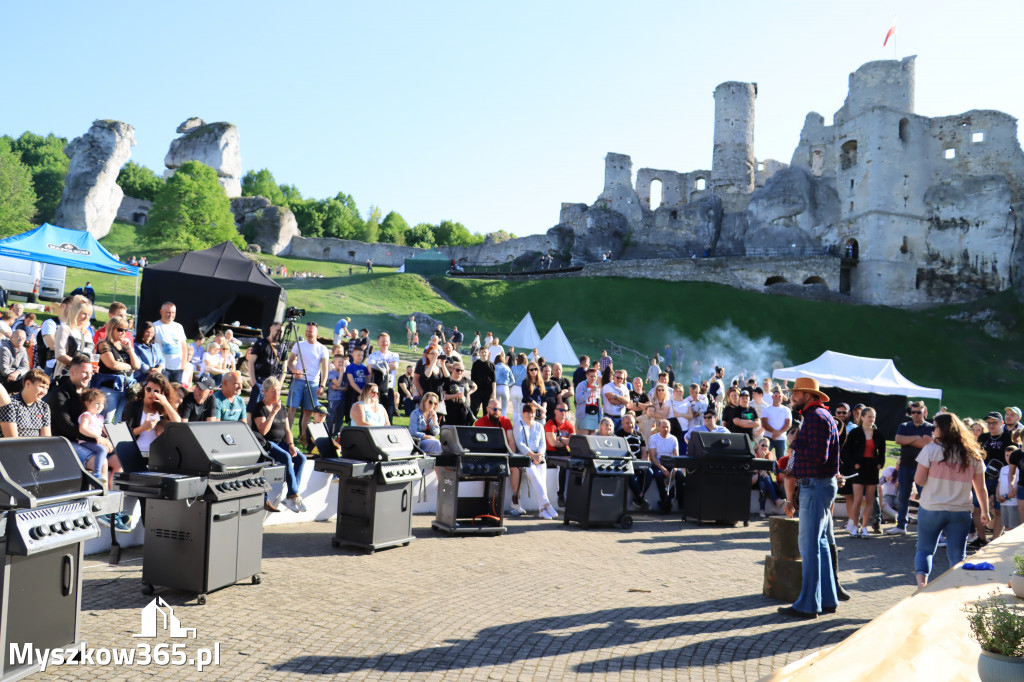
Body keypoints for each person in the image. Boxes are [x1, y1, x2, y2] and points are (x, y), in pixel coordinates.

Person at [777, 377, 842, 620]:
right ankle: (826, 598)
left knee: (810, 546)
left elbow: (819, 456)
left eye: (796, 393)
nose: (792, 396)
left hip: (815, 486)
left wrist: (795, 444)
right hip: (820, 485)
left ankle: (808, 604)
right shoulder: (819, 416)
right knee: (821, 544)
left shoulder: (815, 417)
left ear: (808, 395)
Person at [914, 412, 988, 588]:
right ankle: (955, 587)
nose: (933, 430)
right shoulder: (972, 454)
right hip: (960, 510)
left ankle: (921, 587)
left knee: (925, 549)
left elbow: (919, 480)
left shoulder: (930, 450)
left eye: (935, 426)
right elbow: (980, 488)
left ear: (943, 429)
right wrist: (985, 511)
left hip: (931, 508)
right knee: (957, 555)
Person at [252, 377, 307, 513]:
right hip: (265, 443)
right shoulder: (260, 408)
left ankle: (291, 495)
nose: (277, 394)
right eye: (273, 391)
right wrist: (273, 412)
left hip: (280, 442)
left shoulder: (281, 407)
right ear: (265, 391)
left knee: (301, 458)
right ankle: (294, 494)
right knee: (286, 457)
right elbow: (263, 431)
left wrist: (291, 444)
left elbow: (287, 430)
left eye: (278, 390)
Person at [889, 401, 933, 536]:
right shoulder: (904, 425)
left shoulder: (929, 427)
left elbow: (926, 443)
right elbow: (898, 439)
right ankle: (901, 525)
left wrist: (908, 439)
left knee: (925, 498)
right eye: (912, 412)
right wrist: (916, 437)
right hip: (905, 467)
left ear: (924, 412)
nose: (915, 415)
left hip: (923, 468)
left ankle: (926, 528)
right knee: (903, 497)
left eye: (918, 412)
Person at [842, 407, 886, 537]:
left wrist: (880, 463)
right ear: (862, 417)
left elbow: (882, 452)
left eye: (873, 417)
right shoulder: (855, 433)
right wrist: (853, 464)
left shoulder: (878, 434)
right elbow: (846, 451)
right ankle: (855, 526)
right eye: (869, 416)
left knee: (870, 500)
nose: (871, 419)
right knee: (857, 499)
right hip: (859, 468)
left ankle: (865, 527)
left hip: (872, 468)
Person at [973, 411, 1012, 546]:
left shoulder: (1008, 437)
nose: (991, 425)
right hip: (982, 479)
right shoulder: (983, 437)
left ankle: (994, 541)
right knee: (977, 509)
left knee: (999, 510)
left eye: (994, 423)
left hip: (1001, 480)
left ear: (1001, 423)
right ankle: (981, 538)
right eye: (989, 423)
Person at [287, 321, 329, 445]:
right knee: (292, 408)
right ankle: (287, 435)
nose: (308, 333)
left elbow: (325, 369)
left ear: (316, 333)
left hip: (313, 383)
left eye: (311, 331)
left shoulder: (322, 348)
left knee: (308, 411)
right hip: (298, 380)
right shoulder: (299, 345)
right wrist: (294, 371)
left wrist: (322, 385)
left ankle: (303, 436)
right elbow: (290, 362)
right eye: (307, 331)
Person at [94, 316, 140, 423]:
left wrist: (129, 350)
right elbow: (112, 365)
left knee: (120, 421)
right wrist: (129, 366)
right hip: (109, 388)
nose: (123, 332)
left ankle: (116, 440)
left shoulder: (124, 346)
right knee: (107, 420)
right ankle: (101, 439)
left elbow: (137, 365)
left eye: (126, 330)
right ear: (111, 329)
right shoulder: (103, 344)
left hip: (126, 389)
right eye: (120, 329)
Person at [516, 404, 557, 520]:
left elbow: (543, 444)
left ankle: (542, 510)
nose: (531, 415)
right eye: (528, 412)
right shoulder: (518, 425)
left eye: (533, 413)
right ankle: (547, 504)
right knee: (534, 476)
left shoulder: (539, 426)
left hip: (539, 457)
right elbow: (520, 444)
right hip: (525, 457)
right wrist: (532, 455)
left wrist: (539, 454)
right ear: (523, 413)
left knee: (542, 481)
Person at [75, 388, 113, 483]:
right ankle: (97, 474)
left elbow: (105, 430)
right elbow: (82, 429)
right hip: (85, 442)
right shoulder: (86, 415)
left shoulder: (99, 417)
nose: (100, 406)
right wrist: (97, 436)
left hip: (95, 442)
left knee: (105, 450)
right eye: (97, 403)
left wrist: (108, 438)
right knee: (102, 449)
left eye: (102, 403)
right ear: (87, 403)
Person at [0, 367, 49, 438]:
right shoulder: (11, 405)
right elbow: (12, 441)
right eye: (41, 387)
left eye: (47, 388)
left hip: (38, 448)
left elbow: (46, 440)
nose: (44, 392)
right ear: (27, 384)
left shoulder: (44, 407)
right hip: (16, 448)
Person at [53, 296, 94, 379]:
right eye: (84, 314)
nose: (86, 317)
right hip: (66, 376)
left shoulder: (88, 334)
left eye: (89, 315)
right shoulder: (65, 329)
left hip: (84, 378)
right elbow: (60, 355)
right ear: (75, 313)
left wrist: (91, 367)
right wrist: (81, 367)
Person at [617, 413, 652, 511]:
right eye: (627, 423)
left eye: (632, 423)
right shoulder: (618, 435)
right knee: (631, 476)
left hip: (639, 463)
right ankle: (640, 498)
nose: (630, 425)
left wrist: (643, 463)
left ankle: (639, 497)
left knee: (650, 473)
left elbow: (644, 451)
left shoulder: (639, 434)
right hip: (626, 464)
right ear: (622, 424)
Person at [648, 419, 683, 513]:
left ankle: (670, 498)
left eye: (667, 427)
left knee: (680, 476)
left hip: (671, 464)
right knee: (659, 476)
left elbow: (676, 456)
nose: (665, 429)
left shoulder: (673, 439)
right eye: (663, 427)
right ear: (659, 428)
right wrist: (663, 469)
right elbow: (653, 458)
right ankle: (664, 499)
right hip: (658, 464)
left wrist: (674, 469)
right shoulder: (653, 438)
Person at [545, 401, 575, 507]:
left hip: (565, 453)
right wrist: (566, 441)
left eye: (566, 410)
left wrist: (561, 438)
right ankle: (561, 494)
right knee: (563, 466)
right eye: (561, 410)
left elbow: (573, 442)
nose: (564, 413)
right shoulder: (550, 424)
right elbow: (552, 443)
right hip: (552, 454)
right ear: (555, 412)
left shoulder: (569, 425)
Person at [367, 332, 400, 421]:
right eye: (382, 341)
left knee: (389, 414)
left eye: (387, 341)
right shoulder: (373, 355)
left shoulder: (394, 355)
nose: (385, 343)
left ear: (389, 343)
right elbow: (371, 368)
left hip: (389, 388)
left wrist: (379, 367)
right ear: (378, 342)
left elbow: (394, 366)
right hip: (376, 389)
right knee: (374, 413)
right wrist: (386, 367)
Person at [153, 302, 188, 383]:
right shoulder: (155, 326)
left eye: (173, 313)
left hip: (178, 368)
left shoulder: (179, 327)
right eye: (168, 312)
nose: (170, 315)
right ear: (161, 312)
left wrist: (183, 365)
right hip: (163, 368)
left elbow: (184, 347)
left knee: (176, 393)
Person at [760, 388, 793, 458]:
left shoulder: (786, 410)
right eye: (775, 396)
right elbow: (764, 423)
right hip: (768, 438)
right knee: (764, 458)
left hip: (781, 438)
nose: (777, 398)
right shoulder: (766, 409)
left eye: (780, 396)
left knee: (781, 460)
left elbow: (788, 424)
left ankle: (779, 469)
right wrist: (774, 432)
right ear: (772, 397)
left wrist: (779, 432)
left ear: (782, 398)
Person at [442, 362, 475, 426]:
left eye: (462, 370)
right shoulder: (448, 381)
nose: (459, 372)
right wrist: (455, 396)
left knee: (462, 429)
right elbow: (443, 396)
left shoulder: (465, 380)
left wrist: (468, 393)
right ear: (452, 369)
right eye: (457, 370)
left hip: (463, 408)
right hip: (450, 409)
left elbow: (475, 386)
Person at [575, 366, 602, 435]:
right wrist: (589, 392)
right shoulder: (581, 385)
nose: (593, 378)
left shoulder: (596, 386)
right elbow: (578, 399)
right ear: (587, 376)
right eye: (591, 376)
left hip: (594, 414)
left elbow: (598, 401)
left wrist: (600, 416)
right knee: (585, 437)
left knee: (592, 437)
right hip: (584, 414)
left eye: (595, 376)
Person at [469, 347, 495, 419]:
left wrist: (493, 393)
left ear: (488, 353)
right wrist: (472, 390)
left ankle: (485, 428)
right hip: (477, 391)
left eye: (485, 352)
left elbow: (493, 381)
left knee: (487, 412)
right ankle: (469, 426)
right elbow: (472, 379)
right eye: (482, 352)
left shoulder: (491, 365)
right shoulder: (475, 364)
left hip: (488, 391)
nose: (484, 354)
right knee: (474, 410)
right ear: (479, 353)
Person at [326, 353, 348, 435]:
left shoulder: (345, 373)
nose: (341, 364)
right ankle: (327, 433)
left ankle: (336, 434)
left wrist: (338, 388)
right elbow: (338, 383)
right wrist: (341, 373)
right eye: (339, 362)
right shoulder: (332, 373)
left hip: (342, 399)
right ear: (334, 363)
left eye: (342, 362)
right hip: (333, 399)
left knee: (340, 417)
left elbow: (345, 388)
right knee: (331, 417)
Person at [493, 351, 514, 417]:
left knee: (496, 407)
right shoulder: (507, 367)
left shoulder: (494, 367)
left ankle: (495, 421)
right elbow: (513, 380)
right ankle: (505, 423)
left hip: (497, 387)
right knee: (504, 409)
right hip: (505, 387)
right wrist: (508, 385)